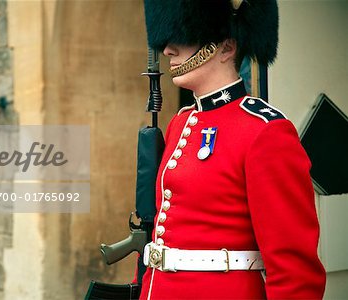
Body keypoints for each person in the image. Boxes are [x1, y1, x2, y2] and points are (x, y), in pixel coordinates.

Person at [139, 0, 326, 299]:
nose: (168, 50)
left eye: (184, 37)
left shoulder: (265, 131)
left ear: (226, 47)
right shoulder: (181, 122)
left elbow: (295, 272)